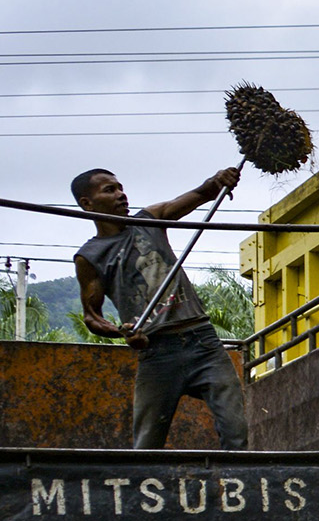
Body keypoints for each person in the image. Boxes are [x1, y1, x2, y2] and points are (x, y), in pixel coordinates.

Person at [72, 165, 251, 450]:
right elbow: (91, 316)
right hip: (157, 353)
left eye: (120, 188)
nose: (121, 195)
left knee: (237, 432)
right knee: (146, 445)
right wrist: (122, 331)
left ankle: (237, 485)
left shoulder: (149, 220)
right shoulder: (90, 256)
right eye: (110, 190)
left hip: (202, 342)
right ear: (87, 203)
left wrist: (219, 181)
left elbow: (201, 193)